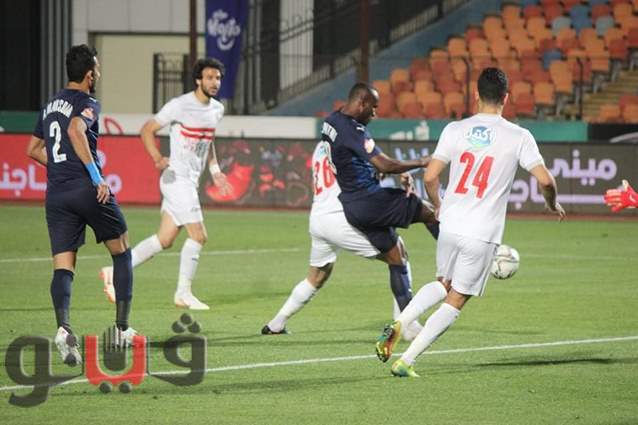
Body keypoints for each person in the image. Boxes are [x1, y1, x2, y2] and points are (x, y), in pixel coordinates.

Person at [375, 67, 566, 378]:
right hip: (482, 232)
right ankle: (406, 360)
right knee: (457, 297)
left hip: (450, 224)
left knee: (443, 283)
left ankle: (401, 321)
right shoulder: (519, 136)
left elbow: (430, 176)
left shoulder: (455, 129)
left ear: (476, 95)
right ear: (506, 97)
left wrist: (439, 206)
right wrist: (551, 203)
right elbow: (546, 181)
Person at [26, 44, 136, 366]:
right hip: (87, 189)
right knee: (122, 249)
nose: (98, 74)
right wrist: (96, 177)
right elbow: (76, 129)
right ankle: (122, 329)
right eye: (97, 69)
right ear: (90, 75)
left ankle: (63, 330)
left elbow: (32, 149)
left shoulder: (49, 105)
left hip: (57, 195)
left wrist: (61, 168)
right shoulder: (87, 103)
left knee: (63, 266)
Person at [100, 58, 232, 310]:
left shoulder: (217, 109)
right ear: (198, 80)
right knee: (199, 236)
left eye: (217, 78)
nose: (215, 82)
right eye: (209, 77)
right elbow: (146, 129)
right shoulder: (180, 105)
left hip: (189, 182)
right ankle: (183, 293)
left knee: (165, 239)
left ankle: (113, 272)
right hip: (176, 179)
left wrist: (215, 171)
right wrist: (157, 158)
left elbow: (208, 140)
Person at [261, 140, 423, 340]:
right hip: (343, 216)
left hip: (319, 218)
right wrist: (400, 171)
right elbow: (379, 165)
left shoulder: (321, 146)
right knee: (398, 255)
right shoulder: (349, 139)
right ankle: (407, 325)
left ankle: (276, 324)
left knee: (316, 277)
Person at [321, 82, 440, 315]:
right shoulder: (353, 129)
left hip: (353, 206)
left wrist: (386, 172)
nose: (375, 114)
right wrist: (422, 161)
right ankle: (453, 264)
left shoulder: (331, 121)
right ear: (361, 103)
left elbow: (352, 160)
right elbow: (385, 164)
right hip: (370, 200)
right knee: (432, 213)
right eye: (373, 107)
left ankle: (405, 322)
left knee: (397, 257)